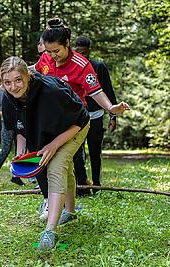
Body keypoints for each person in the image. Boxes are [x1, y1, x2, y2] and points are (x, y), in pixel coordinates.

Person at [0, 56, 128, 250]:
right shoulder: (8, 99)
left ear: (28, 75)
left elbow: (79, 119)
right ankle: (70, 211)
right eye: (7, 82)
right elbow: (20, 129)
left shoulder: (50, 91)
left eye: (18, 80)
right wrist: (20, 154)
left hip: (75, 126)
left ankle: (50, 231)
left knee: (57, 166)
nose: (13, 86)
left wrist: (53, 145)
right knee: (63, 170)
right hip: (48, 132)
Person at [29, 17, 130, 202]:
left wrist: (111, 108)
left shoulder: (82, 65)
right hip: (50, 119)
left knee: (59, 162)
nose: (53, 56)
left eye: (57, 51)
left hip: (74, 121)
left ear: (67, 44)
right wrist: (14, 72)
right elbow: (34, 70)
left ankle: (51, 204)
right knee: (61, 164)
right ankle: (69, 208)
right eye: (49, 51)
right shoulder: (46, 57)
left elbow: (96, 91)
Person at [73, 36, 118, 192]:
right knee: (77, 152)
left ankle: (97, 184)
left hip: (96, 115)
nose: (81, 56)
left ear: (89, 52)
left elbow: (108, 91)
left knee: (94, 150)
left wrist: (113, 116)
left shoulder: (98, 67)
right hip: (77, 117)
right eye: (78, 52)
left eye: (84, 53)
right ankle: (82, 183)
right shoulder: (71, 68)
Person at [0, 85, 25, 189]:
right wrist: (8, 113)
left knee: (20, 151)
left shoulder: (18, 89)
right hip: (7, 125)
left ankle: (16, 176)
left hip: (20, 124)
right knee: (5, 150)